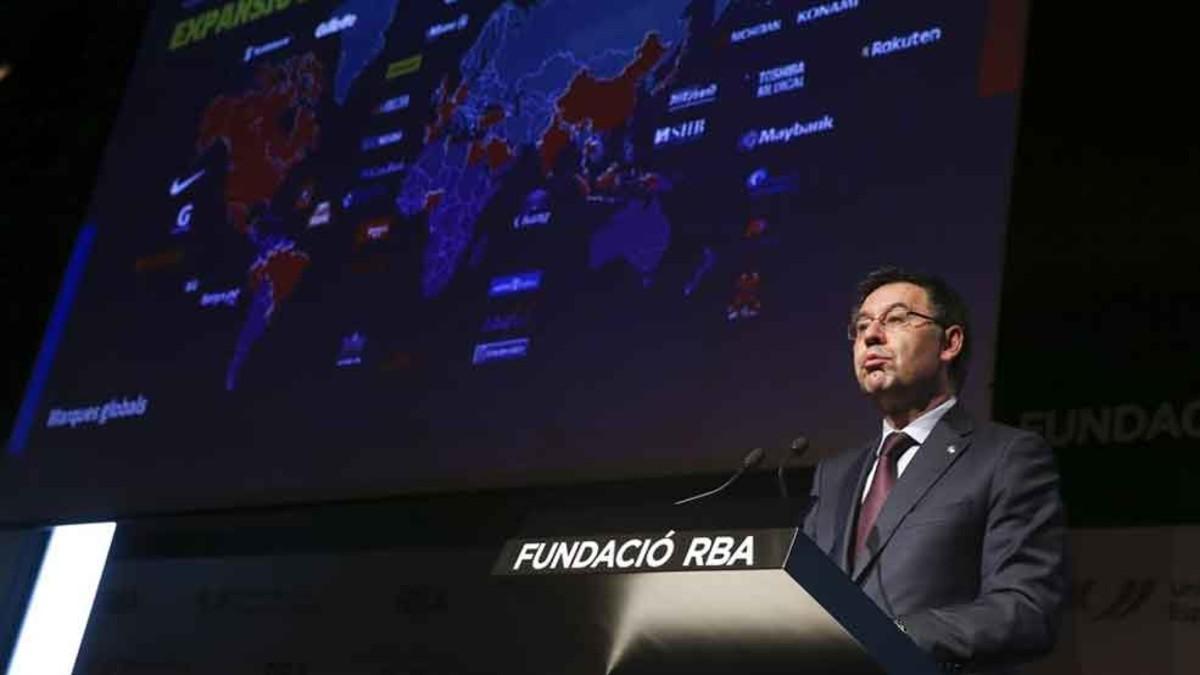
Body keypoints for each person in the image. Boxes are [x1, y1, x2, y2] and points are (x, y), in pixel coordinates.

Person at [803, 266, 1066, 672]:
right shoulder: (834, 475)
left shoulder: (1006, 457)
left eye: (895, 319)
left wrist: (891, 636)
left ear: (950, 343)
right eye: (861, 326)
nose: (871, 335)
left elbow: (1027, 608)